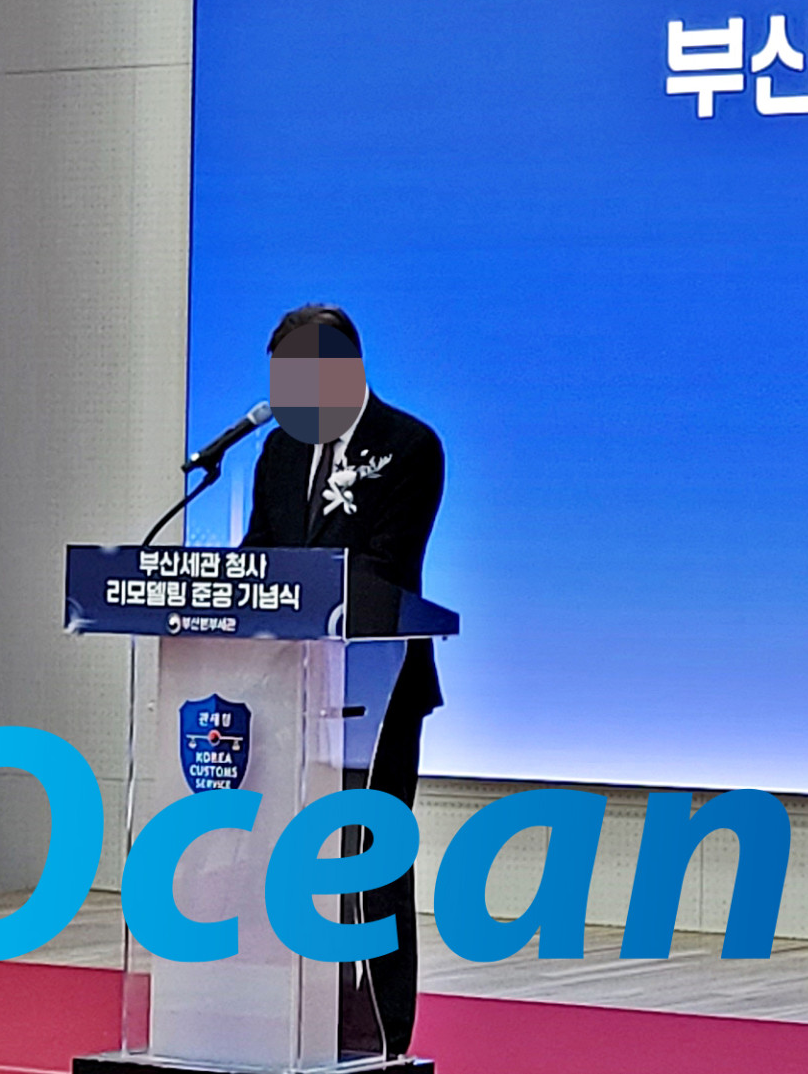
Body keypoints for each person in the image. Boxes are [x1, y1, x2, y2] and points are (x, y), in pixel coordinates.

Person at [240, 304, 442, 1059]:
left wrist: (301, 592)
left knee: (368, 862)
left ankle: (381, 1037)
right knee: (287, 858)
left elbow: (387, 566)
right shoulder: (278, 451)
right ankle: (292, 1022)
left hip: (374, 692)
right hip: (287, 688)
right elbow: (258, 554)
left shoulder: (409, 445)